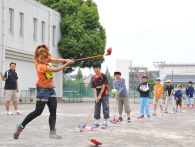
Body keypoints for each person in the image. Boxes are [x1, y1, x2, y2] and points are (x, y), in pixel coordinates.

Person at [13, 44, 74, 139]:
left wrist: (65, 60)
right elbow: (56, 69)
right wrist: (67, 64)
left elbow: (57, 60)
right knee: (38, 112)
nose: (44, 60)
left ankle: (52, 132)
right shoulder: (39, 66)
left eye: (45, 59)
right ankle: (21, 126)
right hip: (42, 90)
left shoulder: (46, 58)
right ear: (37, 57)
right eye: (41, 58)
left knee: (53, 112)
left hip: (51, 90)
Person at [91, 61, 109, 129]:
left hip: (104, 94)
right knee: (97, 108)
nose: (95, 70)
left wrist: (100, 95)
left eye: (97, 68)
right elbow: (94, 88)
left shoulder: (103, 76)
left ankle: (105, 122)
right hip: (97, 95)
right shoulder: (93, 78)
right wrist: (96, 96)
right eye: (94, 68)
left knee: (105, 108)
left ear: (100, 68)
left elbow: (104, 86)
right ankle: (96, 122)